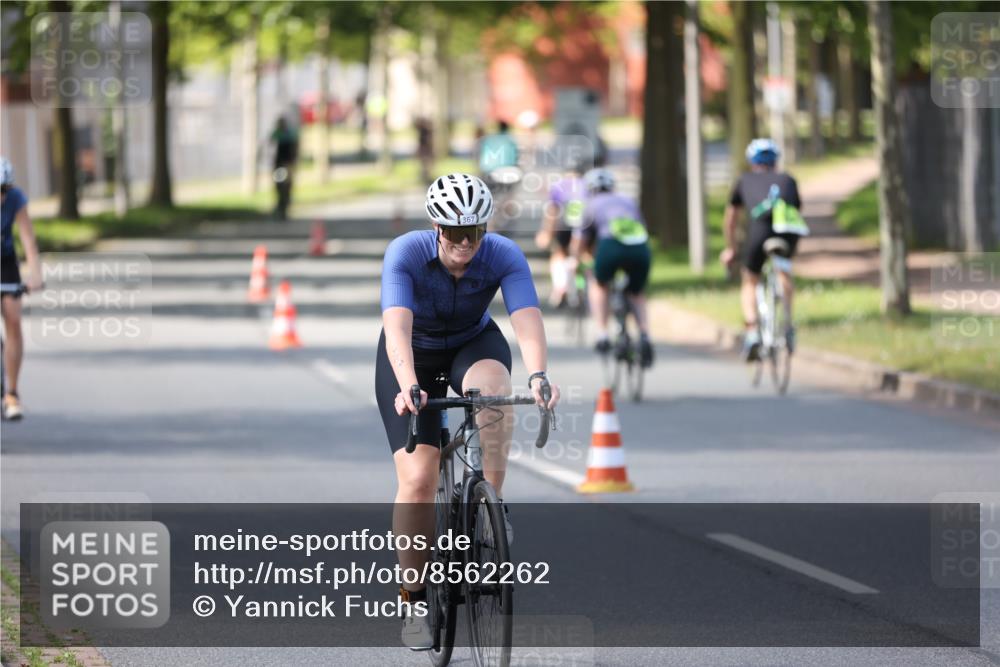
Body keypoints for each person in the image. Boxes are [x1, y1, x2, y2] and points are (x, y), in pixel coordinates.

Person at [376, 173, 560, 650]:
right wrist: (409, 386)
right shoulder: (406, 253)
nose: (464, 244)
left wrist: (539, 375)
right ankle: (414, 600)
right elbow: (396, 326)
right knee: (418, 478)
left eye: (474, 233)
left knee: (496, 390)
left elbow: (526, 316)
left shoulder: (503, 255)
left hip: (470, 343)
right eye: (455, 234)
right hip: (411, 354)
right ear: (436, 228)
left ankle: (489, 503)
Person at [720, 138, 805, 361]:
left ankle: (751, 331)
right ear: (776, 160)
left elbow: (730, 219)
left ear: (751, 161)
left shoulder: (744, 180)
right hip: (786, 232)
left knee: (749, 279)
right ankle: (787, 323)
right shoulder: (788, 179)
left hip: (759, 233)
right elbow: (796, 211)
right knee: (784, 269)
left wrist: (731, 248)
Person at [570, 168, 653, 367]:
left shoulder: (589, 205)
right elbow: (642, 228)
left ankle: (603, 333)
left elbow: (579, 241)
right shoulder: (628, 201)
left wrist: (575, 261)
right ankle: (644, 335)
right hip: (640, 248)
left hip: (610, 246)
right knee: (637, 292)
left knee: (599, 284)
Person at [1, 157, 42, 420]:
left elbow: (27, 238)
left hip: (4, 263)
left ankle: (12, 393)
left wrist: (35, 272)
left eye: (3, 190)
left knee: (13, 321)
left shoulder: (16, 198)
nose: (0, 196)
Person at [535, 158, 588, 307]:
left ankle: (560, 288)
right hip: (585, 224)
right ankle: (581, 285)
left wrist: (546, 233)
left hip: (565, 224)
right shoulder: (587, 186)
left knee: (558, 253)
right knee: (584, 253)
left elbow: (552, 212)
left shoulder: (559, 185)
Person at [270, 117, 299, 220]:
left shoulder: (286, 134)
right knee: (281, 186)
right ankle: (282, 205)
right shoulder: (283, 133)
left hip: (285, 163)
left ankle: (283, 206)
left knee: (284, 186)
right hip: (282, 164)